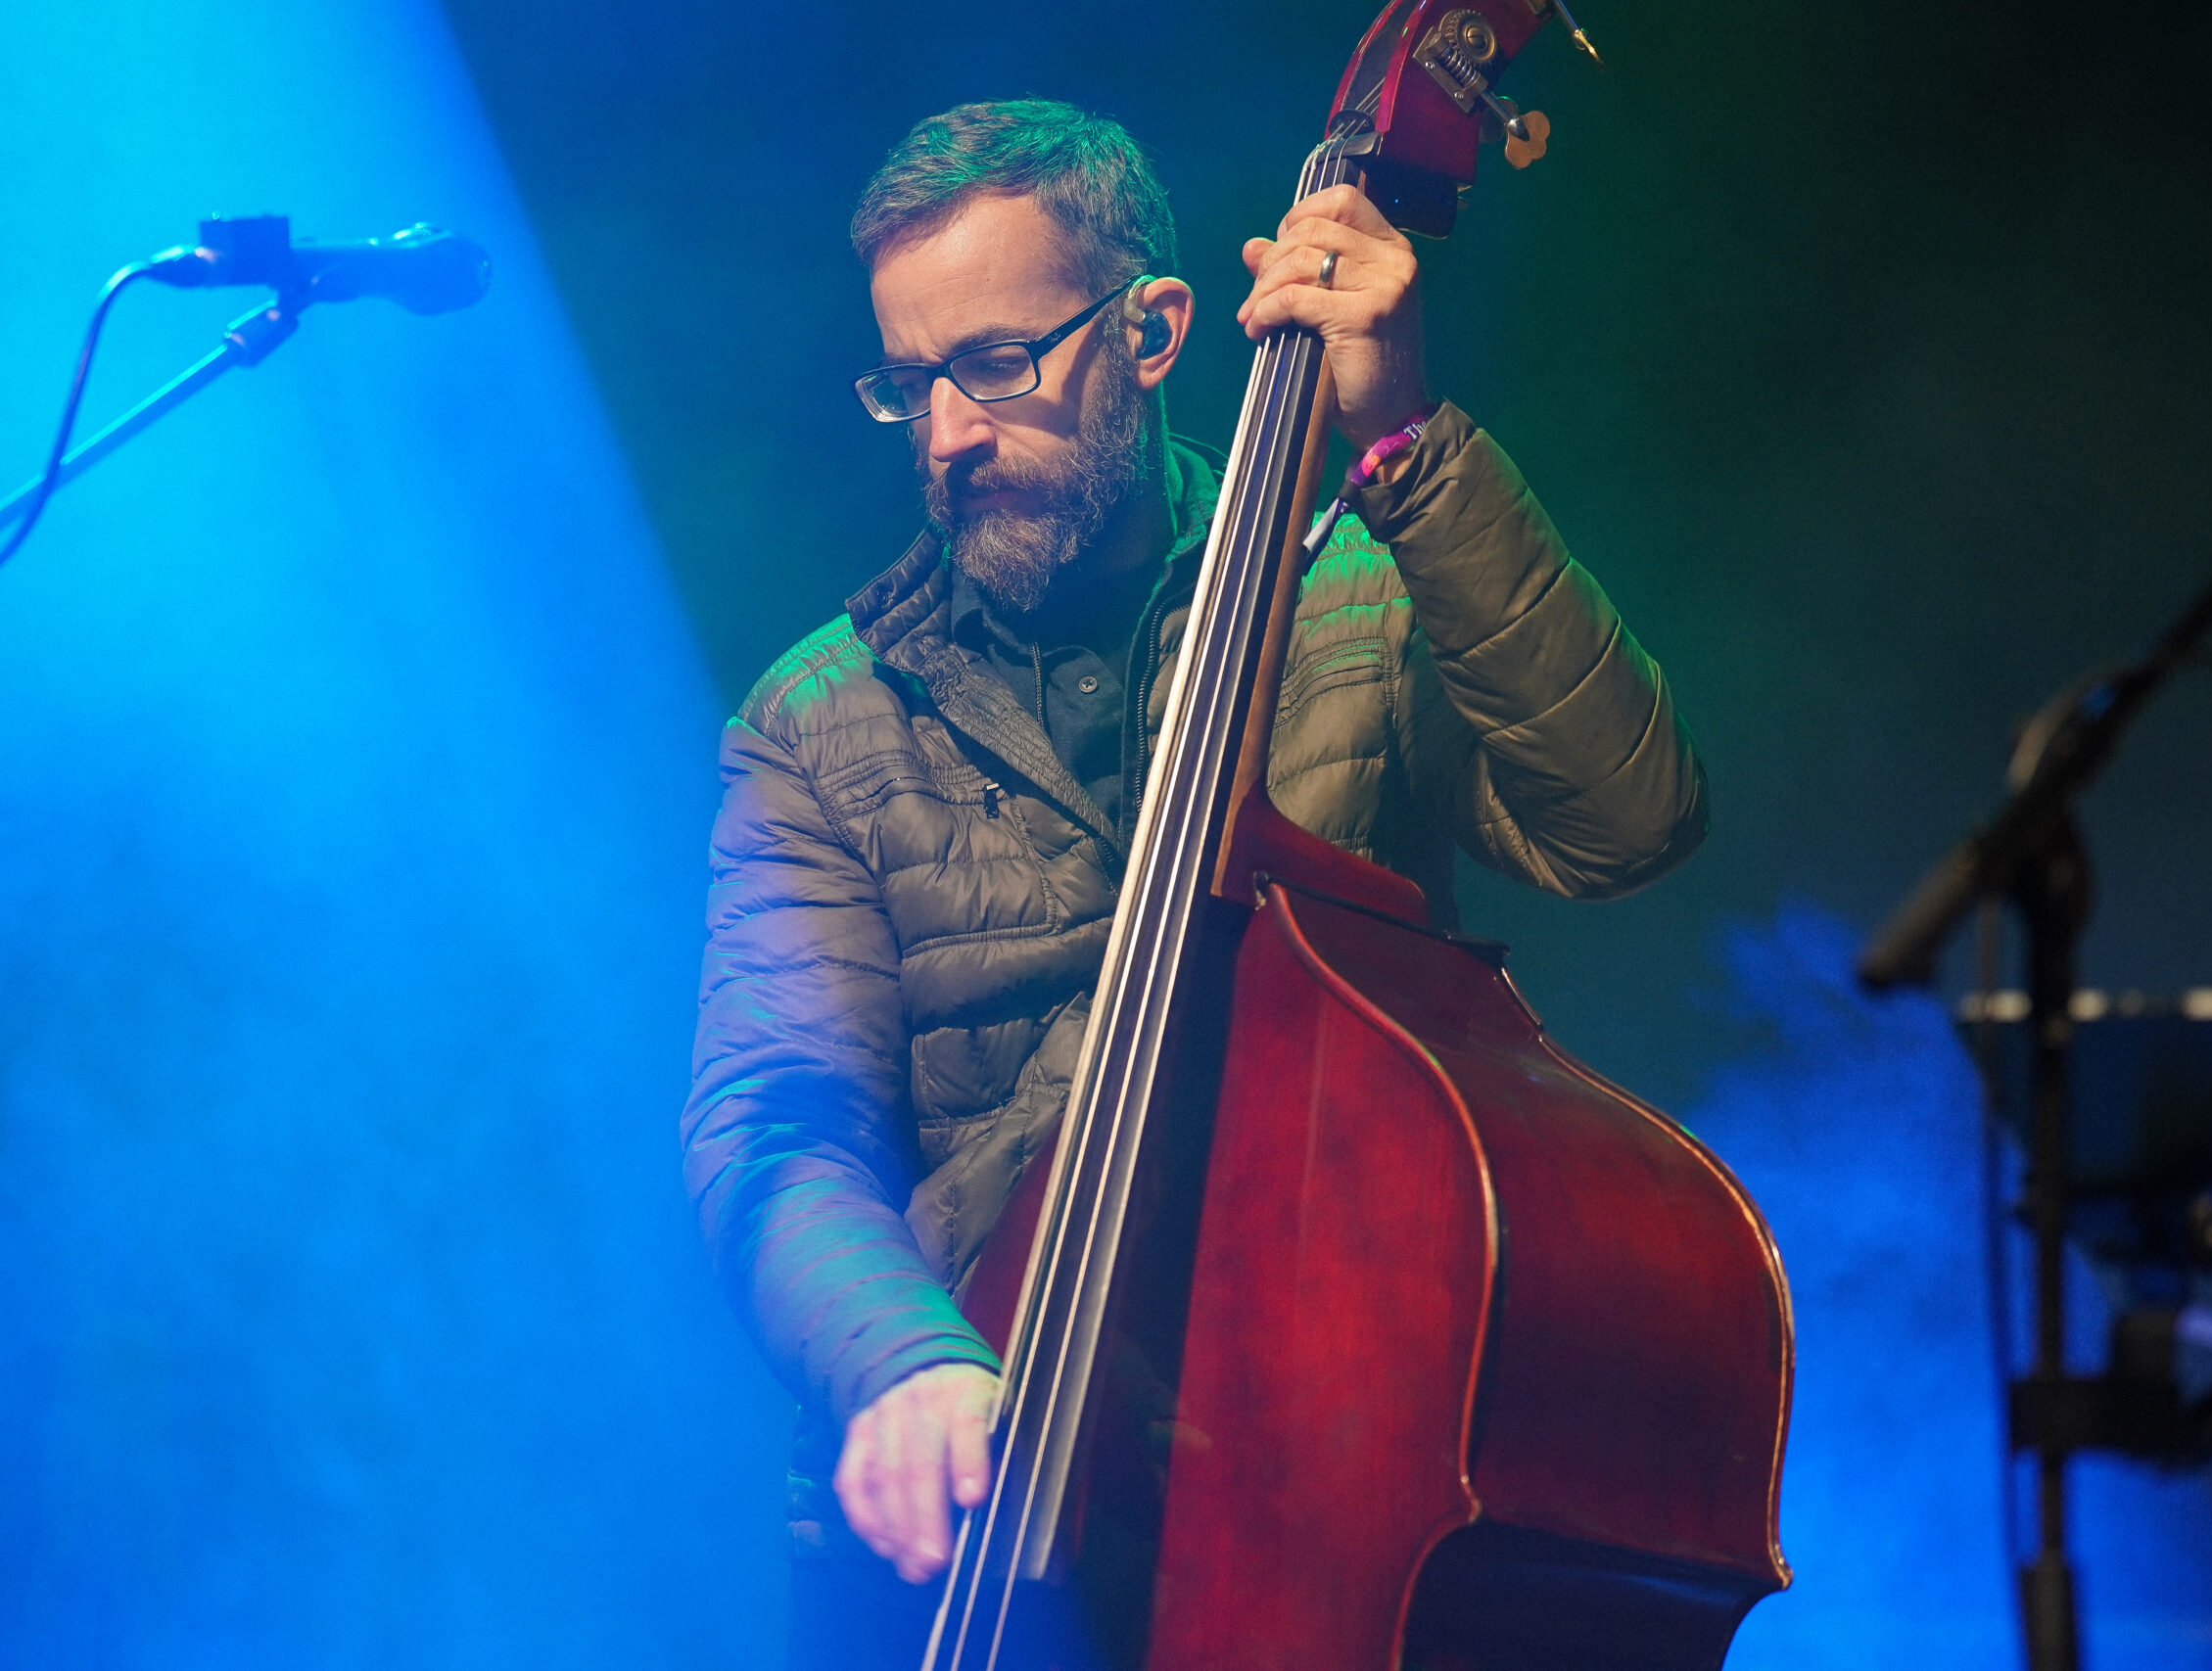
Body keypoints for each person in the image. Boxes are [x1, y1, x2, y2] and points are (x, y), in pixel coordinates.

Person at [680, 99, 1707, 1663]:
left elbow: (1626, 822)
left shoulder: (1357, 591)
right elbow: (775, 1129)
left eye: (996, 366)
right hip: (984, 1503)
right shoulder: (818, 721)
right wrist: (902, 1357)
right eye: (909, 384)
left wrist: (1409, 448)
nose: (947, 437)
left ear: (1151, 332)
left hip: (1321, 1458)